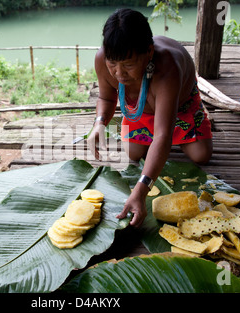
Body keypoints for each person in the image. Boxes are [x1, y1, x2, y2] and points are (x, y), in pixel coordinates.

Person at [88, 8, 213, 227]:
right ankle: (152, 121)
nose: (119, 73)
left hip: (179, 106)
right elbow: (106, 99)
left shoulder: (168, 68)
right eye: (112, 64)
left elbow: (162, 135)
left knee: (200, 155)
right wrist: (99, 124)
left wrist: (141, 189)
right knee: (133, 153)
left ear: (149, 51)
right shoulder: (102, 59)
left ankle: (199, 116)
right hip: (140, 107)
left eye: (128, 64)